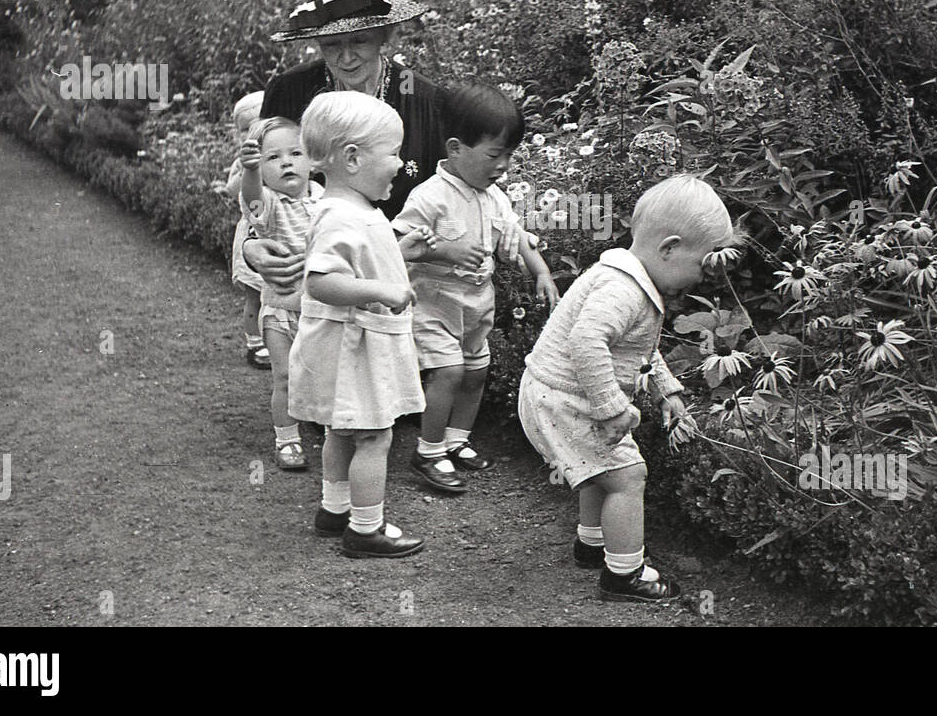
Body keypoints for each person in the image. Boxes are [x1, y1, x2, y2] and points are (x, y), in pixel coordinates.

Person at [242, 0, 529, 293]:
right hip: (308, 273)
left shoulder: (424, 99)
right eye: (332, 44)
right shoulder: (291, 92)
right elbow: (259, 177)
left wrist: (509, 228)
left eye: (359, 41)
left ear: (384, 35)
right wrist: (250, 245)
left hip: (403, 278)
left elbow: (462, 184)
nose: (346, 57)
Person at [517, 176, 734, 602]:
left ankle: (594, 543)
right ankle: (624, 573)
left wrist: (666, 391)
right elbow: (586, 341)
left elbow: (638, 353)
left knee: (599, 469)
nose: (705, 275)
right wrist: (612, 407)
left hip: (556, 394)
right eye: (703, 262)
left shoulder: (628, 277)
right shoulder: (623, 289)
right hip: (566, 400)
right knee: (628, 477)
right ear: (669, 248)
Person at [289, 90, 438, 558]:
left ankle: (334, 510)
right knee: (375, 436)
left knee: (341, 430)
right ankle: (366, 528)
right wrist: (382, 291)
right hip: (356, 346)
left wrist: (400, 252)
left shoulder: (354, 211)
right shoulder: (341, 217)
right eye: (393, 153)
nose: (400, 164)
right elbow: (323, 281)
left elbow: (358, 262)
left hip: (350, 344)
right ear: (352, 158)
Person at [393, 82, 559, 492]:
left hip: (476, 308)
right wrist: (445, 252)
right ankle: (428, 451)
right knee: (447, 373)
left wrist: (540, 272)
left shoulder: (494, 197)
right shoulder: (429, 197)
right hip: (434, 306)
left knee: (475, 372)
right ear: (455, 148)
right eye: (493, 154)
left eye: (508, 155)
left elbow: (516, 237)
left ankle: (457, 440)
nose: (503, 165)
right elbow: (399, 248)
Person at [239, 116, 323, 470]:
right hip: (280, 310)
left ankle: (327, 425)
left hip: (320, 309)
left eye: (295, 153)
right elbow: (252, 199)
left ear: (313, 160)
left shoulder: (325, 199)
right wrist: (250, 173)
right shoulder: (269, 205)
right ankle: (287, 439)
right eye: (272, 158)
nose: (286, 162)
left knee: (321, 374)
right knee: (284, 377)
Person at [213, 91, 270, 369]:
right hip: (252, 235)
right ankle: (255, 343)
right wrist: (247, 169)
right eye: (244, 129)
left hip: (278, 233)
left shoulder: (279, 154)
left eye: (258, 124)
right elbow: (232, 190)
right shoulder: (243, 162)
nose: (252, 133)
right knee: (255, 294)